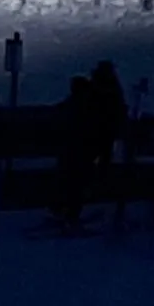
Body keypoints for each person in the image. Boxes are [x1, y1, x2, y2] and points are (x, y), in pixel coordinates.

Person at [54, 76, 96, 227]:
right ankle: (70, 216)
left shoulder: (69, 105)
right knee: (76, 186)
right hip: (77, 153)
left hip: (70, 152)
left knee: (68, 184)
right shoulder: (82, 107)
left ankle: (63, 212)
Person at [87, 60, 126, 180]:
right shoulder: (110, 87)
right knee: (103, 154)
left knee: (102, 154)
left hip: (102, 127)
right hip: (102, 126)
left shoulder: (96, 86)